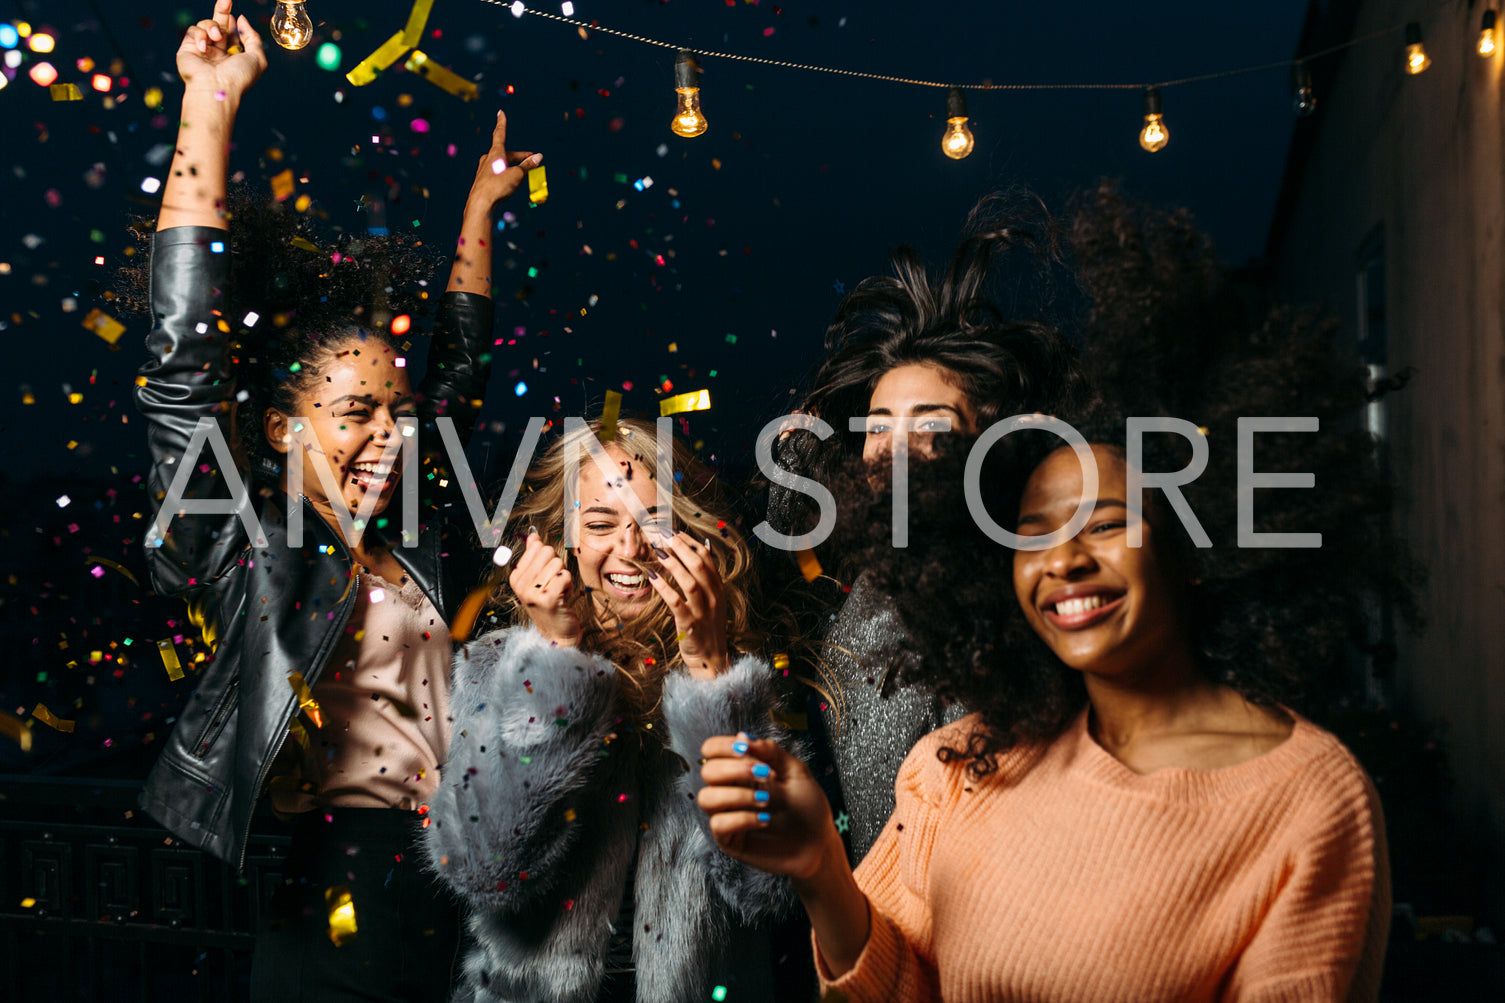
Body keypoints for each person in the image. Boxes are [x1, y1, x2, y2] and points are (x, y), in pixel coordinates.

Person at [697, 187, 1414, 1001]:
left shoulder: (1305, 800)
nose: (1063, 557)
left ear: (1194, 536)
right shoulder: (951, 769)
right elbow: (900, 974)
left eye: (1103, 522)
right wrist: (821, 862)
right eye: (1032, 530)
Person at [131, 2, 540, 997]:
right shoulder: (241, 548)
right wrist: (210, 104)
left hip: (467, 886)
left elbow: (460, 381)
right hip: (337, 889)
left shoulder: (411, 542)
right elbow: (183, 361)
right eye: (356, 410)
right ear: (280, 427)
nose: (389, 433)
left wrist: (477, 219)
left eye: (395, 411)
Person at [421, 417, 806, 1003]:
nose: (630, 550)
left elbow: (764, 884)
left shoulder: (740, 672)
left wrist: (709, 668)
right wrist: (555, 659)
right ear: (563, 536)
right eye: (601, 523)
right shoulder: (500, 666)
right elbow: (486, 870)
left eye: (655, 524)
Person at [766, 195, 1080, 862]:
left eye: (929, 424)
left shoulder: (1017, 583)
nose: (893, 446)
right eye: (879, 424)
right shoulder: (871, 574)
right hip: (873, 938)